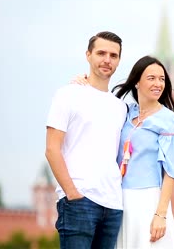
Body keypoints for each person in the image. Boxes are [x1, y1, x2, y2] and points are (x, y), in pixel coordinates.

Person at [73, 55, 174, 248]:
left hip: (149, 200)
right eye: (151, 78)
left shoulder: (168, 119)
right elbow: (98, 105)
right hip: (118, 200)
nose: (158, 83)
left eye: (162, 79)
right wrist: (83, 85)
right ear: (137, 81)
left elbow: (171, 172)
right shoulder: (125, 111)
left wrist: (161, 214)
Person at [45, 31, 127, 248]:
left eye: (113, 55)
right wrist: (72, 193)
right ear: (88, 55)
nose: (107, 60)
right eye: (101, 53)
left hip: (112, 205)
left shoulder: (120, 107)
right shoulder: (67, 94)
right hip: (79, 201)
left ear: (119, 60)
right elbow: (52, 150)